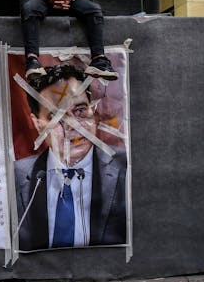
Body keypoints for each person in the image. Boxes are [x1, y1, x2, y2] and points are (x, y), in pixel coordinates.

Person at [14, 64, 127, 251]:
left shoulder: (126, 167)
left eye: (80, 110)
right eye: (57, 117)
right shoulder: (15, 177)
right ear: (38, 125)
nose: (73, 125)